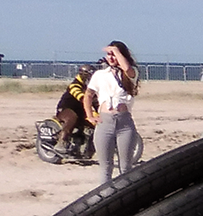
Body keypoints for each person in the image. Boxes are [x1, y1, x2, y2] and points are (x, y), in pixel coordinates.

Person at [86, 41, 142, 182]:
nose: (111, 57)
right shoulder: (100, 74)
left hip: (124, 123)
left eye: (114, 54)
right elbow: (88, 95)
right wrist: (90, 115)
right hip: (105, 122)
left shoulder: (131, 72)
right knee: (106, 167)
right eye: (108, 54)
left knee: (125, 167)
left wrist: (116, 50)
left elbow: (127, 68)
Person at [53, 65, 95, 152]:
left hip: (81, 111)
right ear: (83, 74)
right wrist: (88, 100)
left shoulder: (89, 87)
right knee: (72, 118)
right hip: (66, 109)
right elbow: (81, 97)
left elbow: (95, 101)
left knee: (92, 122)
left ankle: (82, 142)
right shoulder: (74, 85)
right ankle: (62, 141)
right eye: (89, 75)